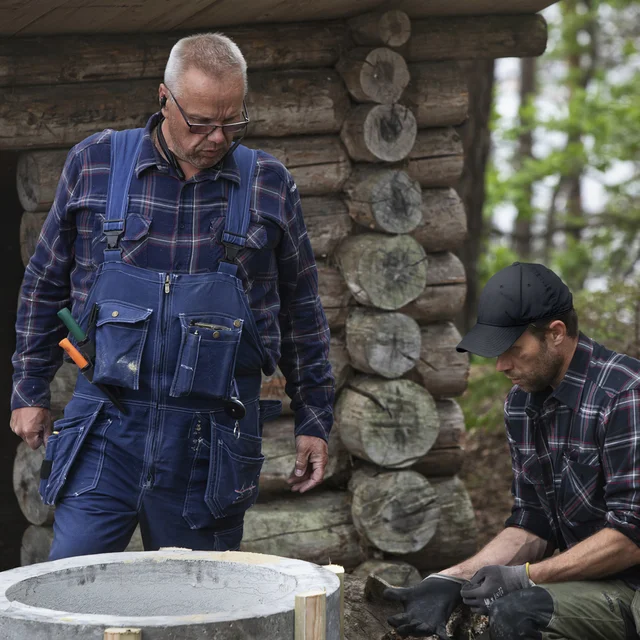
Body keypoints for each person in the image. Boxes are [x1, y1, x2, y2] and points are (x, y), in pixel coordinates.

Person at [10, 33, 334, 560]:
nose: (218, 137)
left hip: (209, 446)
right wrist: (29, 389)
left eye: (232, 121)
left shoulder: (268, 183)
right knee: (74, 585)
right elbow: (45, 283)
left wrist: (314, 418)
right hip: (104, 431)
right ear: (165, 98)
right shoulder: (95, 163)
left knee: (195, 599)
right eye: (201, 122)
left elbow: (302, 312)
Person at [383, 262, 640, 640]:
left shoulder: (625, 395)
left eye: (513, 350)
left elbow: (631, 537)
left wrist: (525, 577)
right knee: (505, 613)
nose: (501, 365)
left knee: (520, 606)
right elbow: (533, 522)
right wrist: (453, 578)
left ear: (556, 333)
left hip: (633, 576)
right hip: (600, 582)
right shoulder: (521, 405)